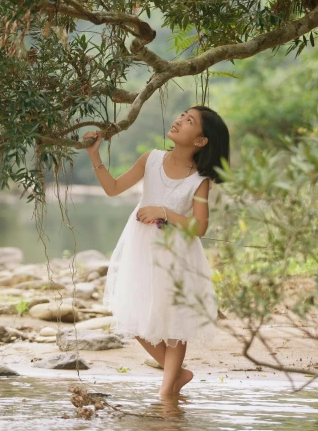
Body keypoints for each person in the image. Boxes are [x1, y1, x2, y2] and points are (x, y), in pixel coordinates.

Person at [83, 105, 230, 397]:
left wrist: (164, 211)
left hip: (176, 254)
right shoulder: (150, 159)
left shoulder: (198, 180)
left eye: (189, 121)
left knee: (175, 321)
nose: (179, 120)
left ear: (201, 141)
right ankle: (177, 375)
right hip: (141, 248)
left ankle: (166, 392)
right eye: (181, 115)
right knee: (131, 314)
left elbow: (199, 227)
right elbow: (113, 188)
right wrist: (94, 154)